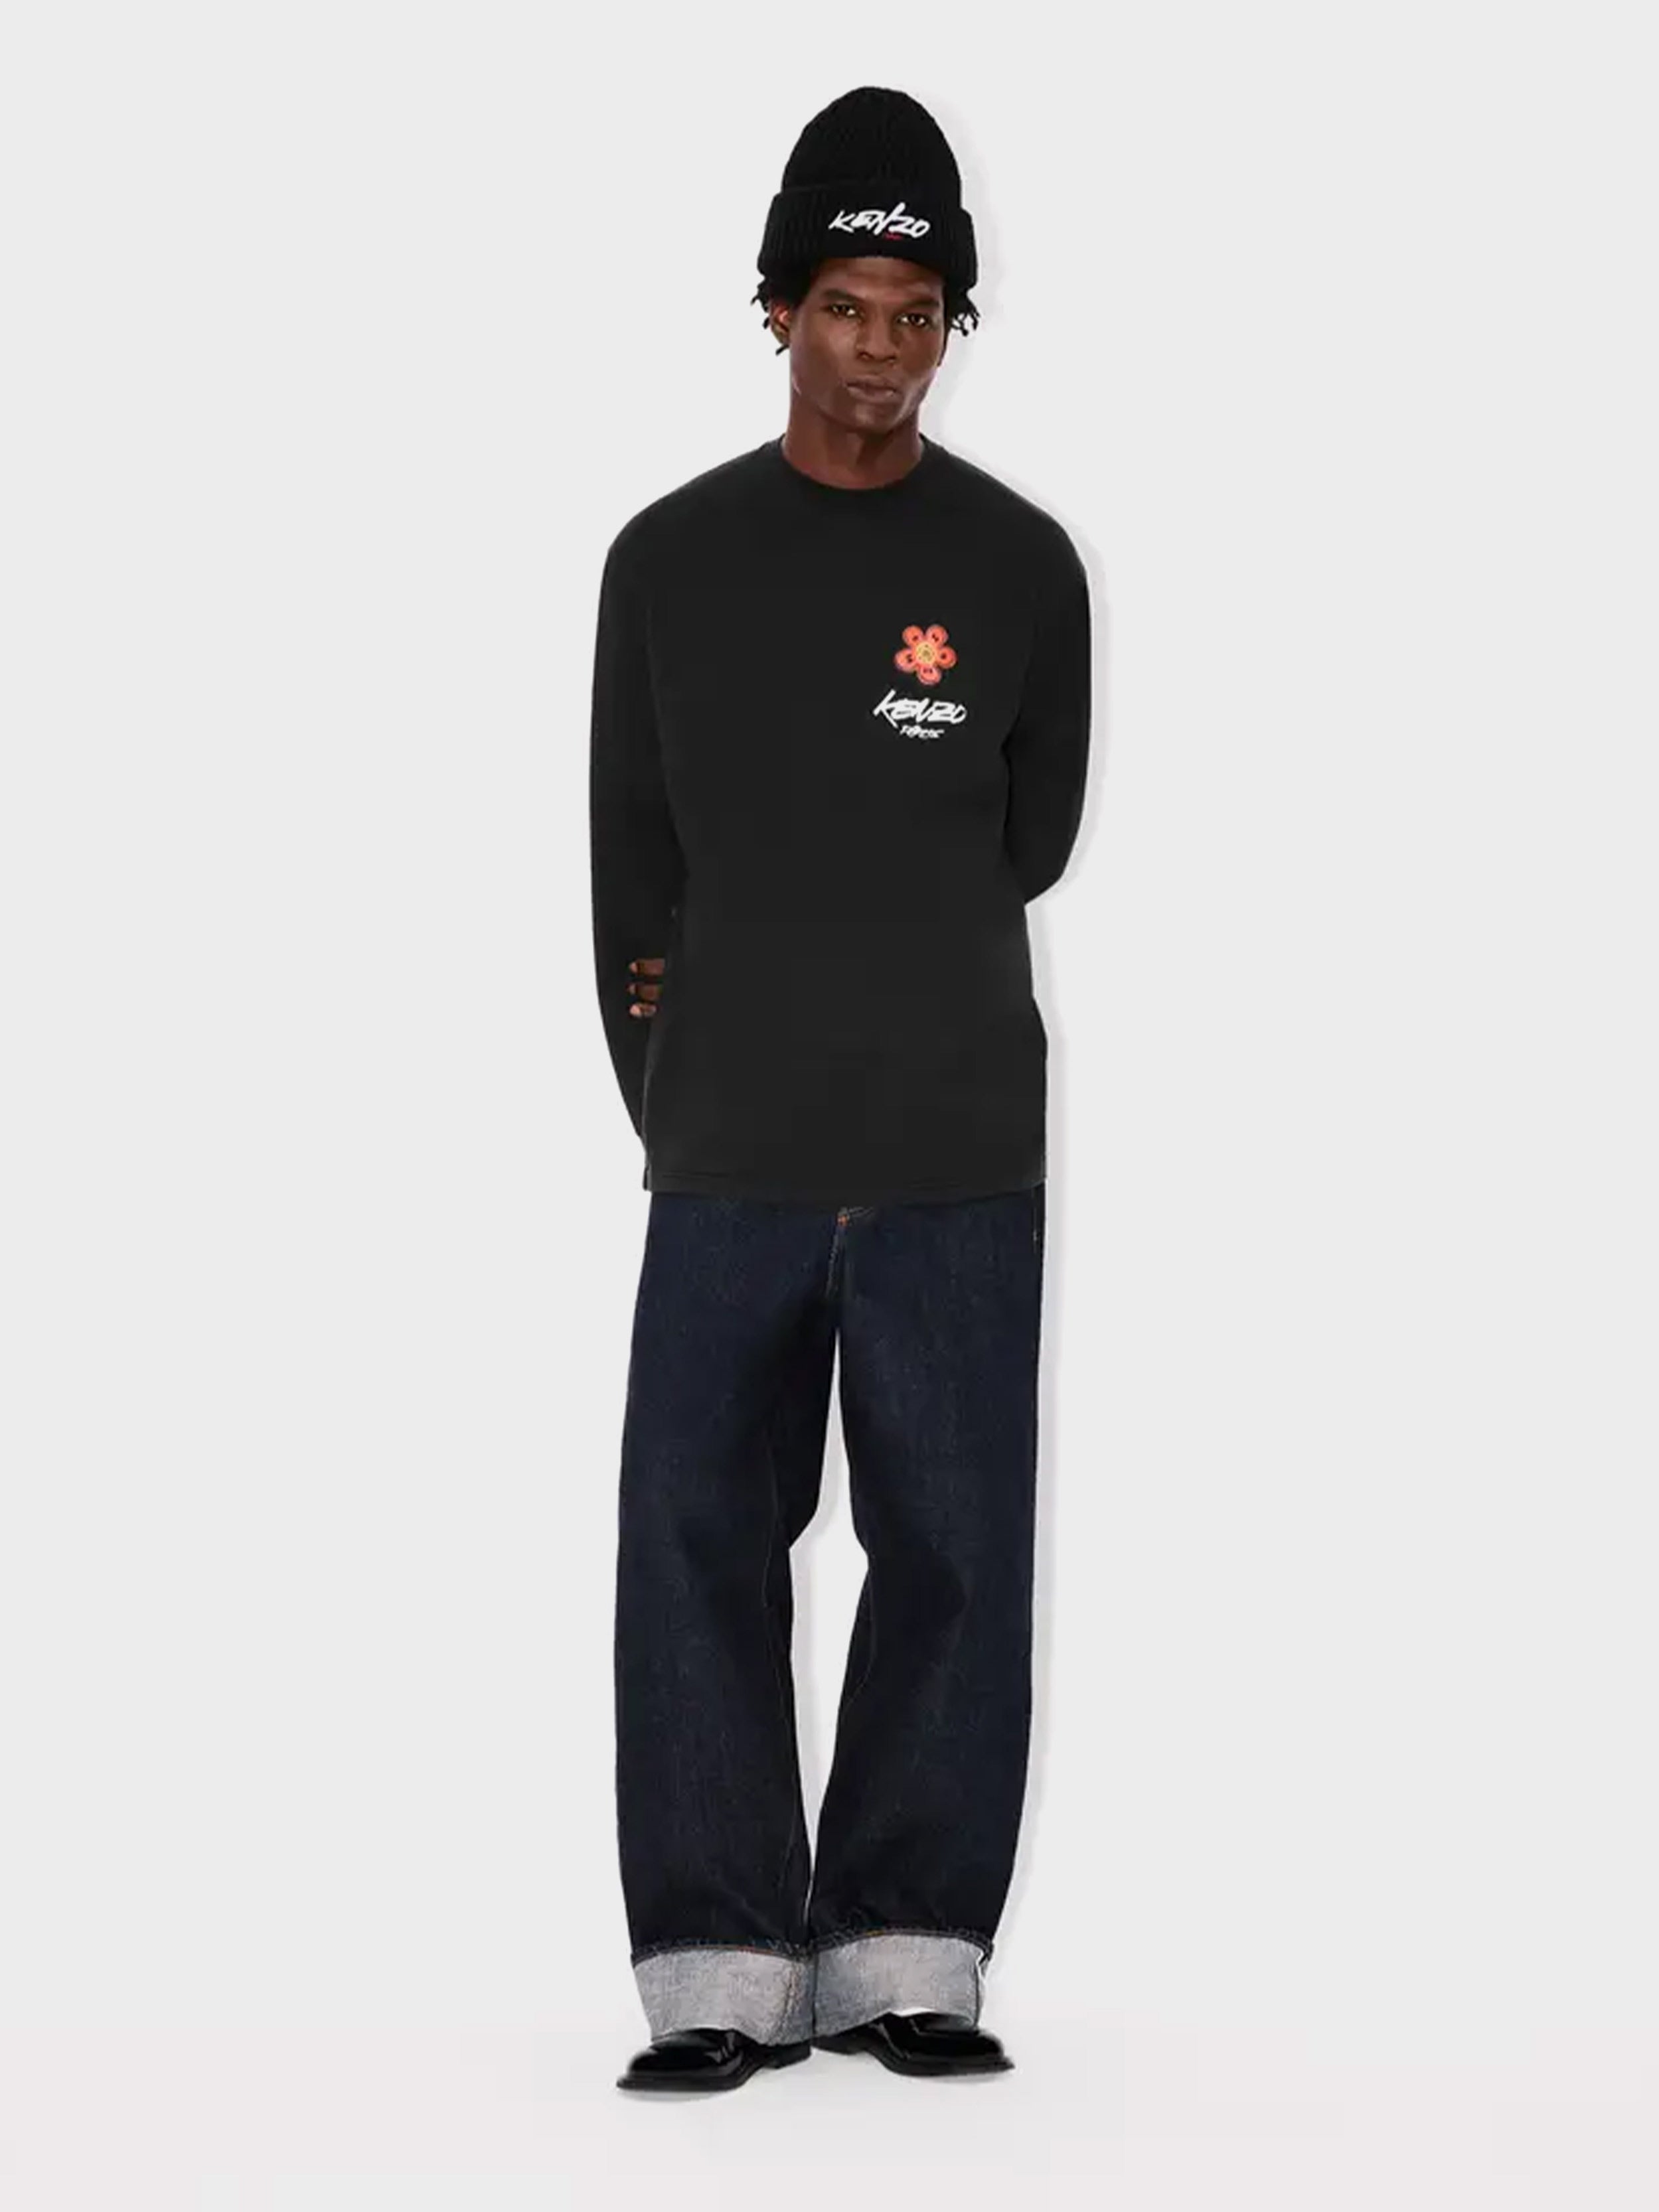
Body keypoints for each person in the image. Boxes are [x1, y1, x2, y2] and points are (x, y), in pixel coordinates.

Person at [588, 84, 1092, 2094]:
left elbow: (1030, 840)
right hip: (728, 1140)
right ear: (778, 310)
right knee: (696, 1541)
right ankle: (718, 1964)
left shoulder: (1020, 566)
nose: (881, 351)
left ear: (952, 326)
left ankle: (905, 1953)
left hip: (957, 1139)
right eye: (846, 308)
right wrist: (684, 1087)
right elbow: (630, 862)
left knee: (952, 1549)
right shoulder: (669, 561)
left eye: (918, 315)